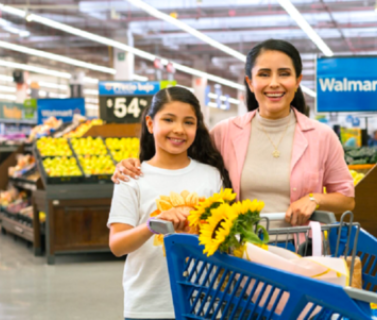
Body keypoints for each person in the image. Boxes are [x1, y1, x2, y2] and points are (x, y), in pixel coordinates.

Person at [113, 39, 355, 228]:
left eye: (284, 73)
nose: (274, 83)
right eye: (263, 74)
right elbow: (181, 165)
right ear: (250, 83)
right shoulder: (224, 133)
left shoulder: (322, 136)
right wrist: (131, 165)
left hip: (301, 251)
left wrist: (314, 199)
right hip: (239, 253)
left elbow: (347, 199)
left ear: (297, 80)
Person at [107, 86, 229, 320]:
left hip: (204, 304)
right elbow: (117, 245)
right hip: (148, 305)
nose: (178, 130)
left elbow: (222, 238)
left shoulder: (212, 175)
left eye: (188, 122)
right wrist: (153, 225)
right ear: (151, 124)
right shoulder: (131, 178)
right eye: (169, 120)